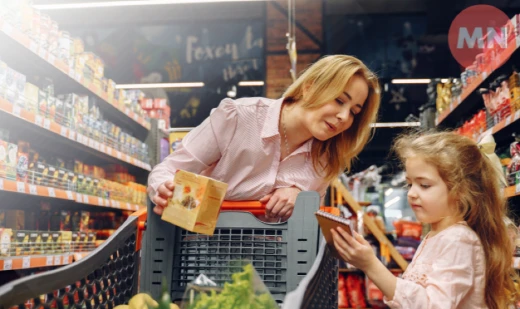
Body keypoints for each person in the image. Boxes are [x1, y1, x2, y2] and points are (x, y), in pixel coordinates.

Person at [331, 132, 519, 309]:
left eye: (424, 185)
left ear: (461, 191)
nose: (411, 193)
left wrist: (370, 265)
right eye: (410, 184)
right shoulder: (435, 236)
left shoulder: (459, 241)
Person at [147, 55, 381, 220]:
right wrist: (167, 192)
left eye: (354, 112)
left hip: (273, 269)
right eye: (339, 100)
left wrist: (301, 199)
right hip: (199, 256)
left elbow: (307, 229)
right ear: (309, 88)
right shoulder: (238, 117)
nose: (343, 117)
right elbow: (167, 171)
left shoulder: (326, 159)